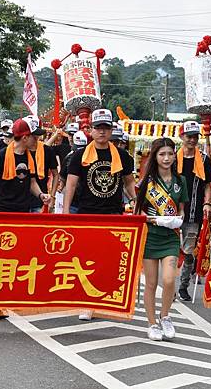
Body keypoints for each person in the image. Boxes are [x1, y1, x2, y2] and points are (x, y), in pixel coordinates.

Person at [62, 108, 136, 320]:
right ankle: (86, 303)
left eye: (106, 127)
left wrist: (135, 202)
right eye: (98, 127)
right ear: (90, 130)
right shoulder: (79, 156)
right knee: (86, 259)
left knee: (109, 260)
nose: (102, 132)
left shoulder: (122, 156)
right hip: (87, 214)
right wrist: (66, 212)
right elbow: (71, 184)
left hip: (113, 214)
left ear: (112, 130)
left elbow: (129, 182)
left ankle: (105, 298)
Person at [134, 138, 188, 341]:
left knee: (168, 279)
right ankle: (151, 323)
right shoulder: (146, 183)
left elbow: (182, 210)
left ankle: (165, 316)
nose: (166, 158)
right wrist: (156, 219)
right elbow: (138, 213)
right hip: (151, 236)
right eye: (162, 154)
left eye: (170, 154)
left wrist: (177, 220)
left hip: (170, 237)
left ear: (175, 156)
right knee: (151, 283)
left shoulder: (180, 181)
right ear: (155, 157)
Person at [176, 121, 211, 302]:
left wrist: (207, 203)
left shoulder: (204, 159)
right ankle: (169, 285)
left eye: (195, 136)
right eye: (189, 136)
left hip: (194, 212)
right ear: (181, 137)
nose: (192, 140)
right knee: (170, 251)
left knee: (189, 250)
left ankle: (183, 286)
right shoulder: (170, 157)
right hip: (171, 212)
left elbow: (208, 185)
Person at [0, 117, 51, 213]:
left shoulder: (30, 157)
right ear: (25, 138)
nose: (37, 140)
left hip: (24, 210)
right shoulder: (1, 156)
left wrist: (40, 194)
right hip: (3, 210)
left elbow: (32, 182)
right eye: (34, 137)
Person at [27, 116, 59, 213]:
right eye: (32, 134)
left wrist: (52, 198)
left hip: (41, 201)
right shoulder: (19, 152)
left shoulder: (47, 150)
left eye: (37, 134)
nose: (35, 137)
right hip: (20, 202)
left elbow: (56, 174)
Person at [58, 131, 88, 214]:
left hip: (88, 203)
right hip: (73, 202)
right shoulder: (69, 157)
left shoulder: (92, 157)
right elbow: (63, 177)